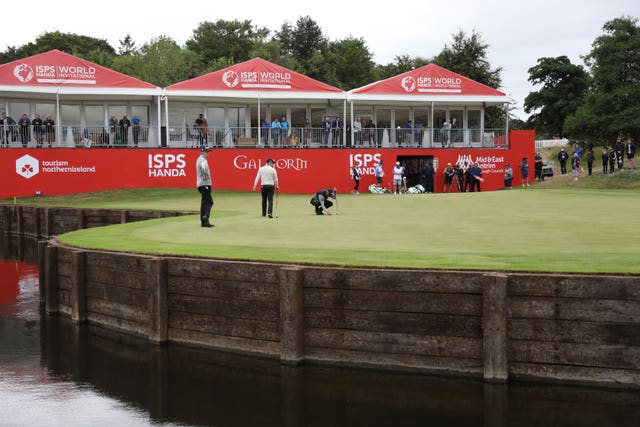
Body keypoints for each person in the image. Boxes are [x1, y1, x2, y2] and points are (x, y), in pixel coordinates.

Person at [196, 147, 214, 228]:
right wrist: (205, 177)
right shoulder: (202, 160)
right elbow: (203, 168)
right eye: (207, 152)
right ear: (202, 152)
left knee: (204, 202)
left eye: (208, 152)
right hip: (204, 183)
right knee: (209, 202)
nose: (208, 153)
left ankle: (203, 222)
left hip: (201, 184)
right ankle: (206, 216)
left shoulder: (200, 159)